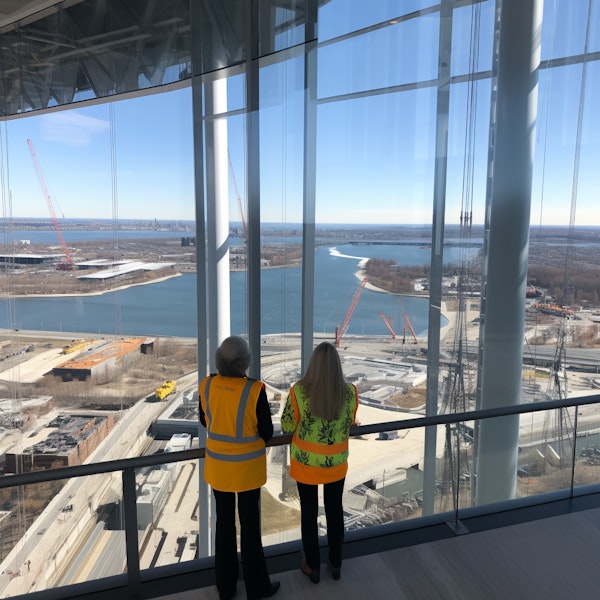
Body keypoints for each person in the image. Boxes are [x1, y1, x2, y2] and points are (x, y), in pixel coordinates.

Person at [198, 336, 280, 600]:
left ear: (219, 359)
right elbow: (266, 432)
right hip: (247, 472)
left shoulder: (208, 385)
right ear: (246, 361)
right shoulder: (255, 390)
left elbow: (204, 420)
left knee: (223, 526)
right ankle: (258, 588)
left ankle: (226, 587)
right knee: (250, 528)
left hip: (219, 469)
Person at [281, 341, 359, 584]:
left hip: (306, 465)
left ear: (313, 365)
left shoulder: (298, 392)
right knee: (335, 512)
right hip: (336, 464)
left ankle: (312, 566)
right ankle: (335, 564)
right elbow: (350, 421)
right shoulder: (350, 393)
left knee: (309, 514)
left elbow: (286, 425)